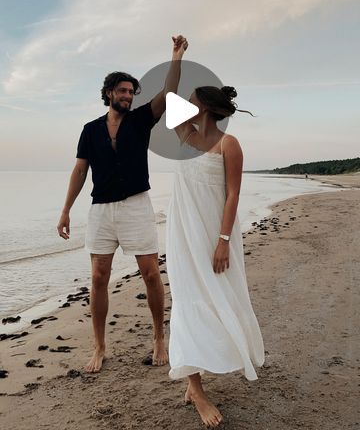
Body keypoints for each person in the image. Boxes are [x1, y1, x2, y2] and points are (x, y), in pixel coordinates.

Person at [57, 35, 188, 373]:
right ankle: (100, 346)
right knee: (99, 277)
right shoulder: (89, 130)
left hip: (135, 206)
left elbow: (168, 94)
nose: (128, 96)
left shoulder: (141, 120)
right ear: (109, 94)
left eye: (132, 92)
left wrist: (175, 56)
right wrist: (66, 210)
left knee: (149, 273)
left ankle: (159, 336)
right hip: (101, 210)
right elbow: (80, 169)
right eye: (123, 91)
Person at [166, 85, 264, 428]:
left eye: (193, 100)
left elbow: (233, 196)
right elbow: (167, 94)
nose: (187, 104)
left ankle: (209, 363)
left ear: (204, 107)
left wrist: (223, 241)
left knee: (220, 299)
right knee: (186, 301)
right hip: (182, 236)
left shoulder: (228, 144)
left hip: (214, 236)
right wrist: (176, 57)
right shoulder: (185, 136)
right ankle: (195, 389)